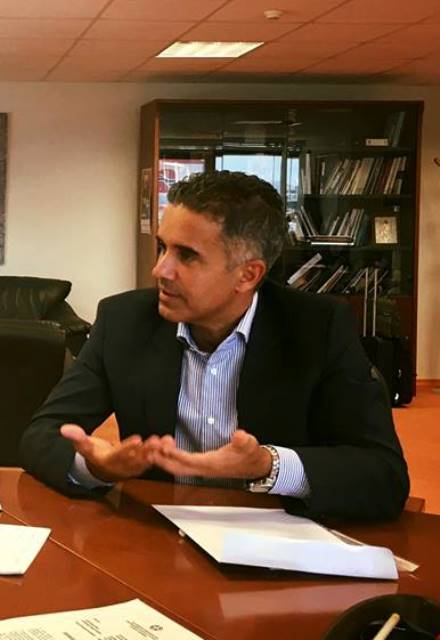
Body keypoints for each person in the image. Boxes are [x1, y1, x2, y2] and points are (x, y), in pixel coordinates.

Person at [20, 171, 409, 520]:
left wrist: (268, 465)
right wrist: (97, 467)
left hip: (271, 543)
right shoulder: (124, 321)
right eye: (162, 247)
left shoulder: (318, 328)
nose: (160, 270)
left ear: (248, 275)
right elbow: (40, 435)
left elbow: (383, 475)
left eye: (187, 255)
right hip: (157, 537)